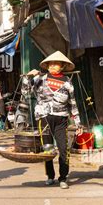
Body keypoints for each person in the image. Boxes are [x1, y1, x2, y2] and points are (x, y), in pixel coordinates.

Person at [24, 51, 83, 190]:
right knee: (48, 148)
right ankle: (50, 176)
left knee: (64, 148)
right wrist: (28, 77)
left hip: (61, 119)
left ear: (62, 66)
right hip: (43, 118)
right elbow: (25, 92)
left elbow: (72, 104)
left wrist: (77, 122)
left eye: (55, 63)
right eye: (50, 63)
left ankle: (63, 177)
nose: (52, 65)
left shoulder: (67, 83)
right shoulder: (40, 79)